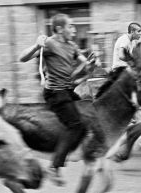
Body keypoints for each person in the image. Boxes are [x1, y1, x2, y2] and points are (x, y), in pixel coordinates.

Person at [18, 13, 99, 180]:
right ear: (59, 29)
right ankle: (54, 167)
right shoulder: (49, 44)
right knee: (75, 125)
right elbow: (22, 58)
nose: (75, 30)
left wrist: (91, 64)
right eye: (71, 27)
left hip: (67, 89)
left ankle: (81, 149)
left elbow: (84, 63)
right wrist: (35, 46)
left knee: (90, 110)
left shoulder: (71, 46)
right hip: (55, 92)